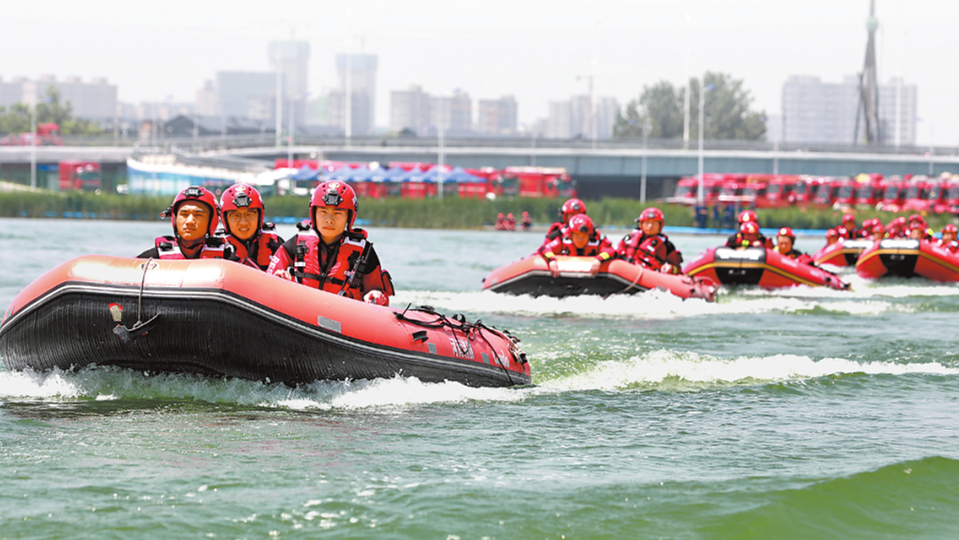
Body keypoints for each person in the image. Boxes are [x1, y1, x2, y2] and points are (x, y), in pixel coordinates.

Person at [268, 181, 394, 306]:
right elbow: (268, 279)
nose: (329, 220)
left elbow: (379, 294)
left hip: (346, 317)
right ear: (314, 214)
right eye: (323, 212)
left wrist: (376, 295)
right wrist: (280, 277)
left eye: (337, 213)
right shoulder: (295, 244)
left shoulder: (365, 252)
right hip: (301, 309)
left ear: (349, 217)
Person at [138, 185, 226, 260]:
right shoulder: (154, 257)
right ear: (175, 218)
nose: (189, 221)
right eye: (184, 214)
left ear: (211, 220)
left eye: (198, 215)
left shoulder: (227, 257)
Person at [220, 184, 283, 271]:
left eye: (249, 215)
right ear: (224, 219)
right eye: (236, 216)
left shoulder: (277, 246)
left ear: (260, 216)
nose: (243, 222)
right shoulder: (216, 249)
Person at [540, 214, 615, 278]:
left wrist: (598, 260)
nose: (580, 240)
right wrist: (552, 260)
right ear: (571, 235)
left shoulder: (597, 242)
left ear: (589, 235)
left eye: (583, 236)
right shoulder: (563, 241)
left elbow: (610, 250)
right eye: (577, 236)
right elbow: (545, 248)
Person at [616, 207, 683, 274]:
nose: (650, 226)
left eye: (654, 223)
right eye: (647, 222)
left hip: (650, 278)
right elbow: (617, 253)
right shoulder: (628, 239)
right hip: (624, 272)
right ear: (641, 224)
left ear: (660, 225)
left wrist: (670, 268)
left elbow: (677, 269)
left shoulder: (667, 246)